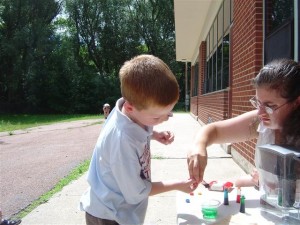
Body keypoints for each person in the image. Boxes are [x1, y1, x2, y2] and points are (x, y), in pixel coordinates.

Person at [80, 54, 197, 225]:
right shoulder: (122, 143)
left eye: (168, 113)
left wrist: (154, 134)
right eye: (157, 117)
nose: (165, 119)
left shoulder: (127, 110)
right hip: (110, 215)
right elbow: (137, 192)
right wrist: (178, 184)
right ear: (130, 107)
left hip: (120, 208)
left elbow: (138, 125)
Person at [187, 59, 300, 187]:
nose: (259, 113)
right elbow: (215, 131)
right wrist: (198, 146)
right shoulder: (261, 121)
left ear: (296, 103)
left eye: (270, 106)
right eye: (258, 103)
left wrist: (265, 182)